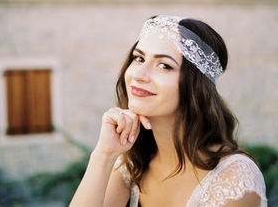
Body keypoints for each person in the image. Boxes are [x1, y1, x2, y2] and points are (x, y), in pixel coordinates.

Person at [70, 15, 267, 207]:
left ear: (195, 87)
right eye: (139, 58)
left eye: (164, 65)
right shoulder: (131, 163)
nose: (138, 75)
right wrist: (103, 155)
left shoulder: (235, 178)